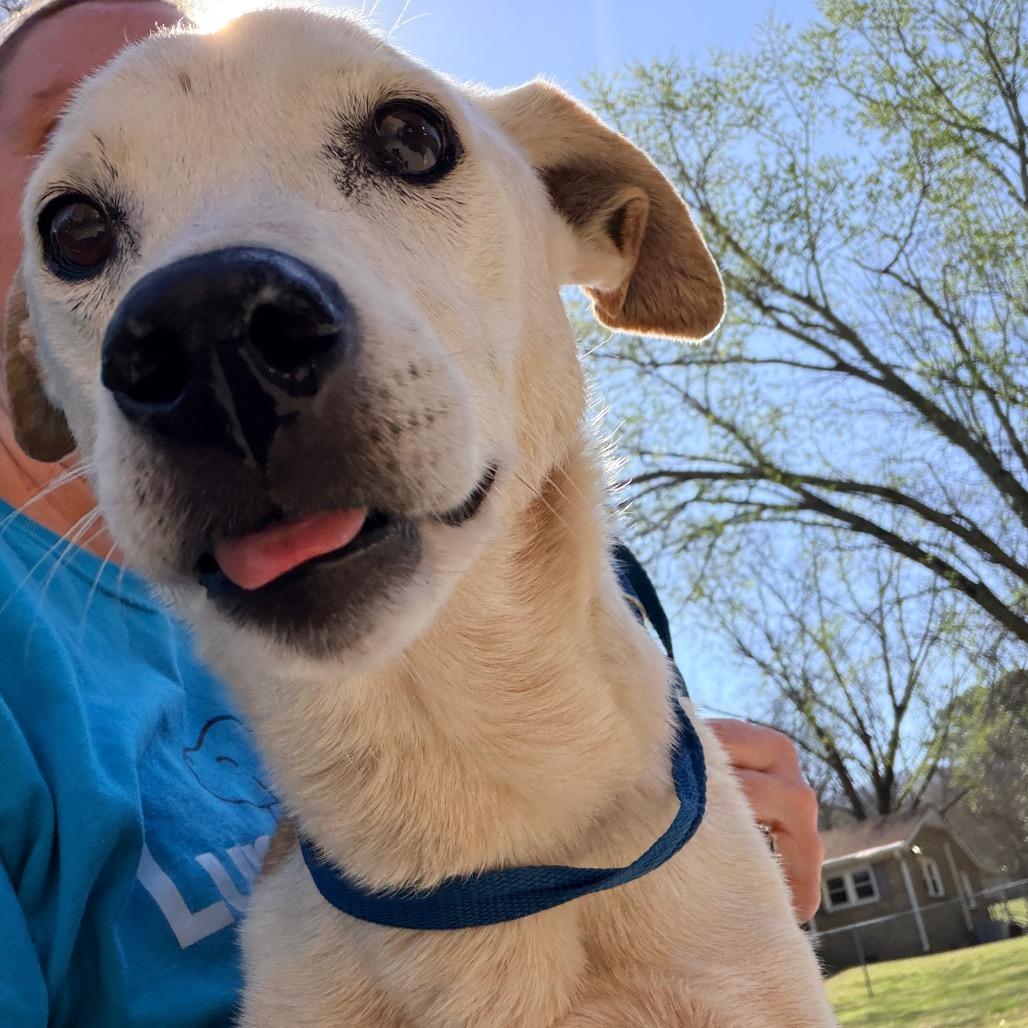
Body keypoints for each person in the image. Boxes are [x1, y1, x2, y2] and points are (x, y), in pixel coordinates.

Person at [0, 1, 824, 1023]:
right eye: (83, 230)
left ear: (566, 210)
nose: (212, 292)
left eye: (404, 147)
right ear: (34, 356)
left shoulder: (698, 835)